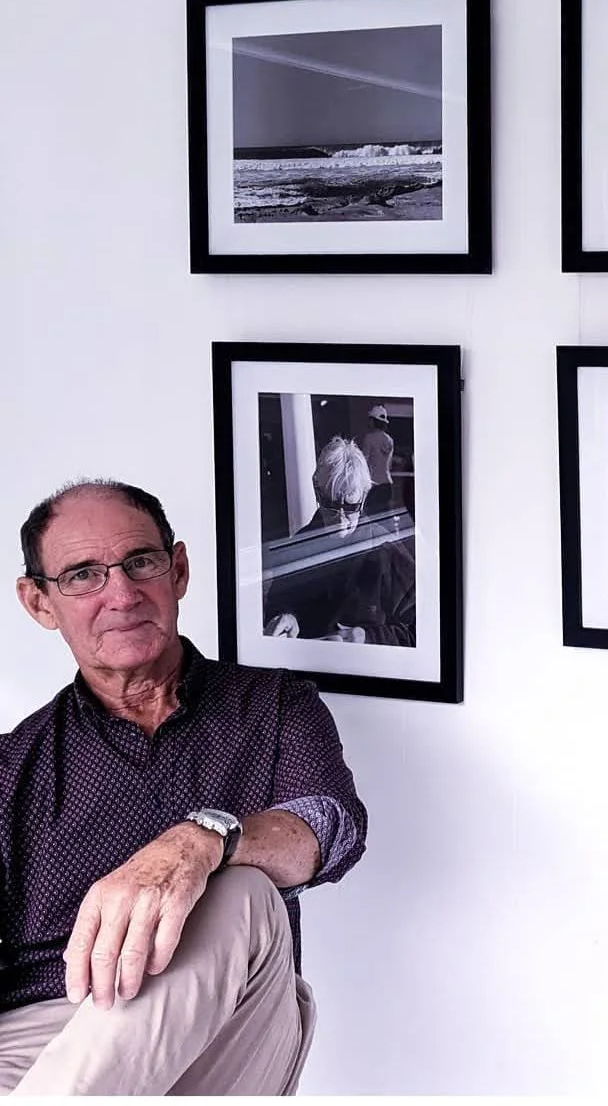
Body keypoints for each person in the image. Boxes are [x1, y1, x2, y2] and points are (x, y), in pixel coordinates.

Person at [8, 478, 367, 1094]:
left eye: (140, 562)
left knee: (244, 890)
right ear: (40, 603)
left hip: (229, 1027)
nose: (120, 594)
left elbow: (330, 832)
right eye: (82, 575)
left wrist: (202, 840)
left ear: (177, 571)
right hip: (42, 1036)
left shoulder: (275, 705)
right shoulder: (16, 764)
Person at [264, 437, 415, 646]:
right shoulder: (300, 544)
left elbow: (421, 632)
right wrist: (287, 616)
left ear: (363, 497)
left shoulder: (388, 553)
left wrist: (365, 637)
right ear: (318, 492)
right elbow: (278, 602)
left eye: (351, 506)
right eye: (330, 504)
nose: (341, 518)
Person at [359, 404, 394, 519]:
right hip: (387, 483)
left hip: (374, 484)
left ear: (374, 421)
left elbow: (363, 462)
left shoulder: (369, 438)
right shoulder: (389, 440)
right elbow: (389, 464)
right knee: (385, 517)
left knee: (372, 518)